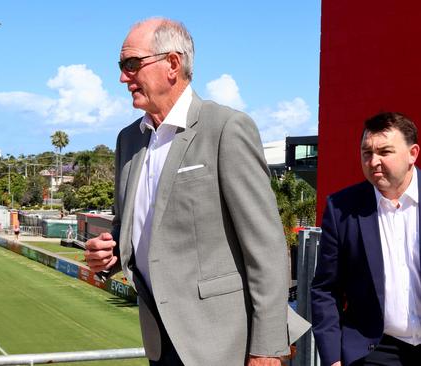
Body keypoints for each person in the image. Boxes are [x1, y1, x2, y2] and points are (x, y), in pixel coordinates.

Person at [85, 17, 306, 365]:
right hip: (160, 339)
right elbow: (131, 229)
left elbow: (266, 247)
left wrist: (267, 349)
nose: (123, 78)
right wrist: (110, 252)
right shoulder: (128, 140)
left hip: (221, 343)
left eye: (131, 65)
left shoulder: (226, 128)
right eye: (122, 66)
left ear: (172, 64)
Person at [311, 112, 421, 366]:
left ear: (412, 154)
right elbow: (326, 288)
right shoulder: (342, 208)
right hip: (374, 350)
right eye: (367, 153)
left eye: (385, 152)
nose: (373, 161)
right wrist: (332, 358)